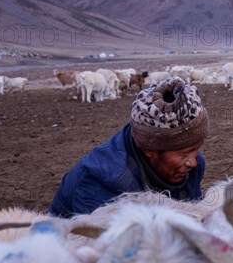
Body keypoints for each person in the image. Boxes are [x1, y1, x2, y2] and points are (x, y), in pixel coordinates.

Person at [49, 76, 209, 218]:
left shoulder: (192, 168)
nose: (193, 162)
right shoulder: (103, 179)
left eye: (196, 149)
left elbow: (192, 217)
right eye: (183, 154)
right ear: (150, 151)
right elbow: (97, 244)